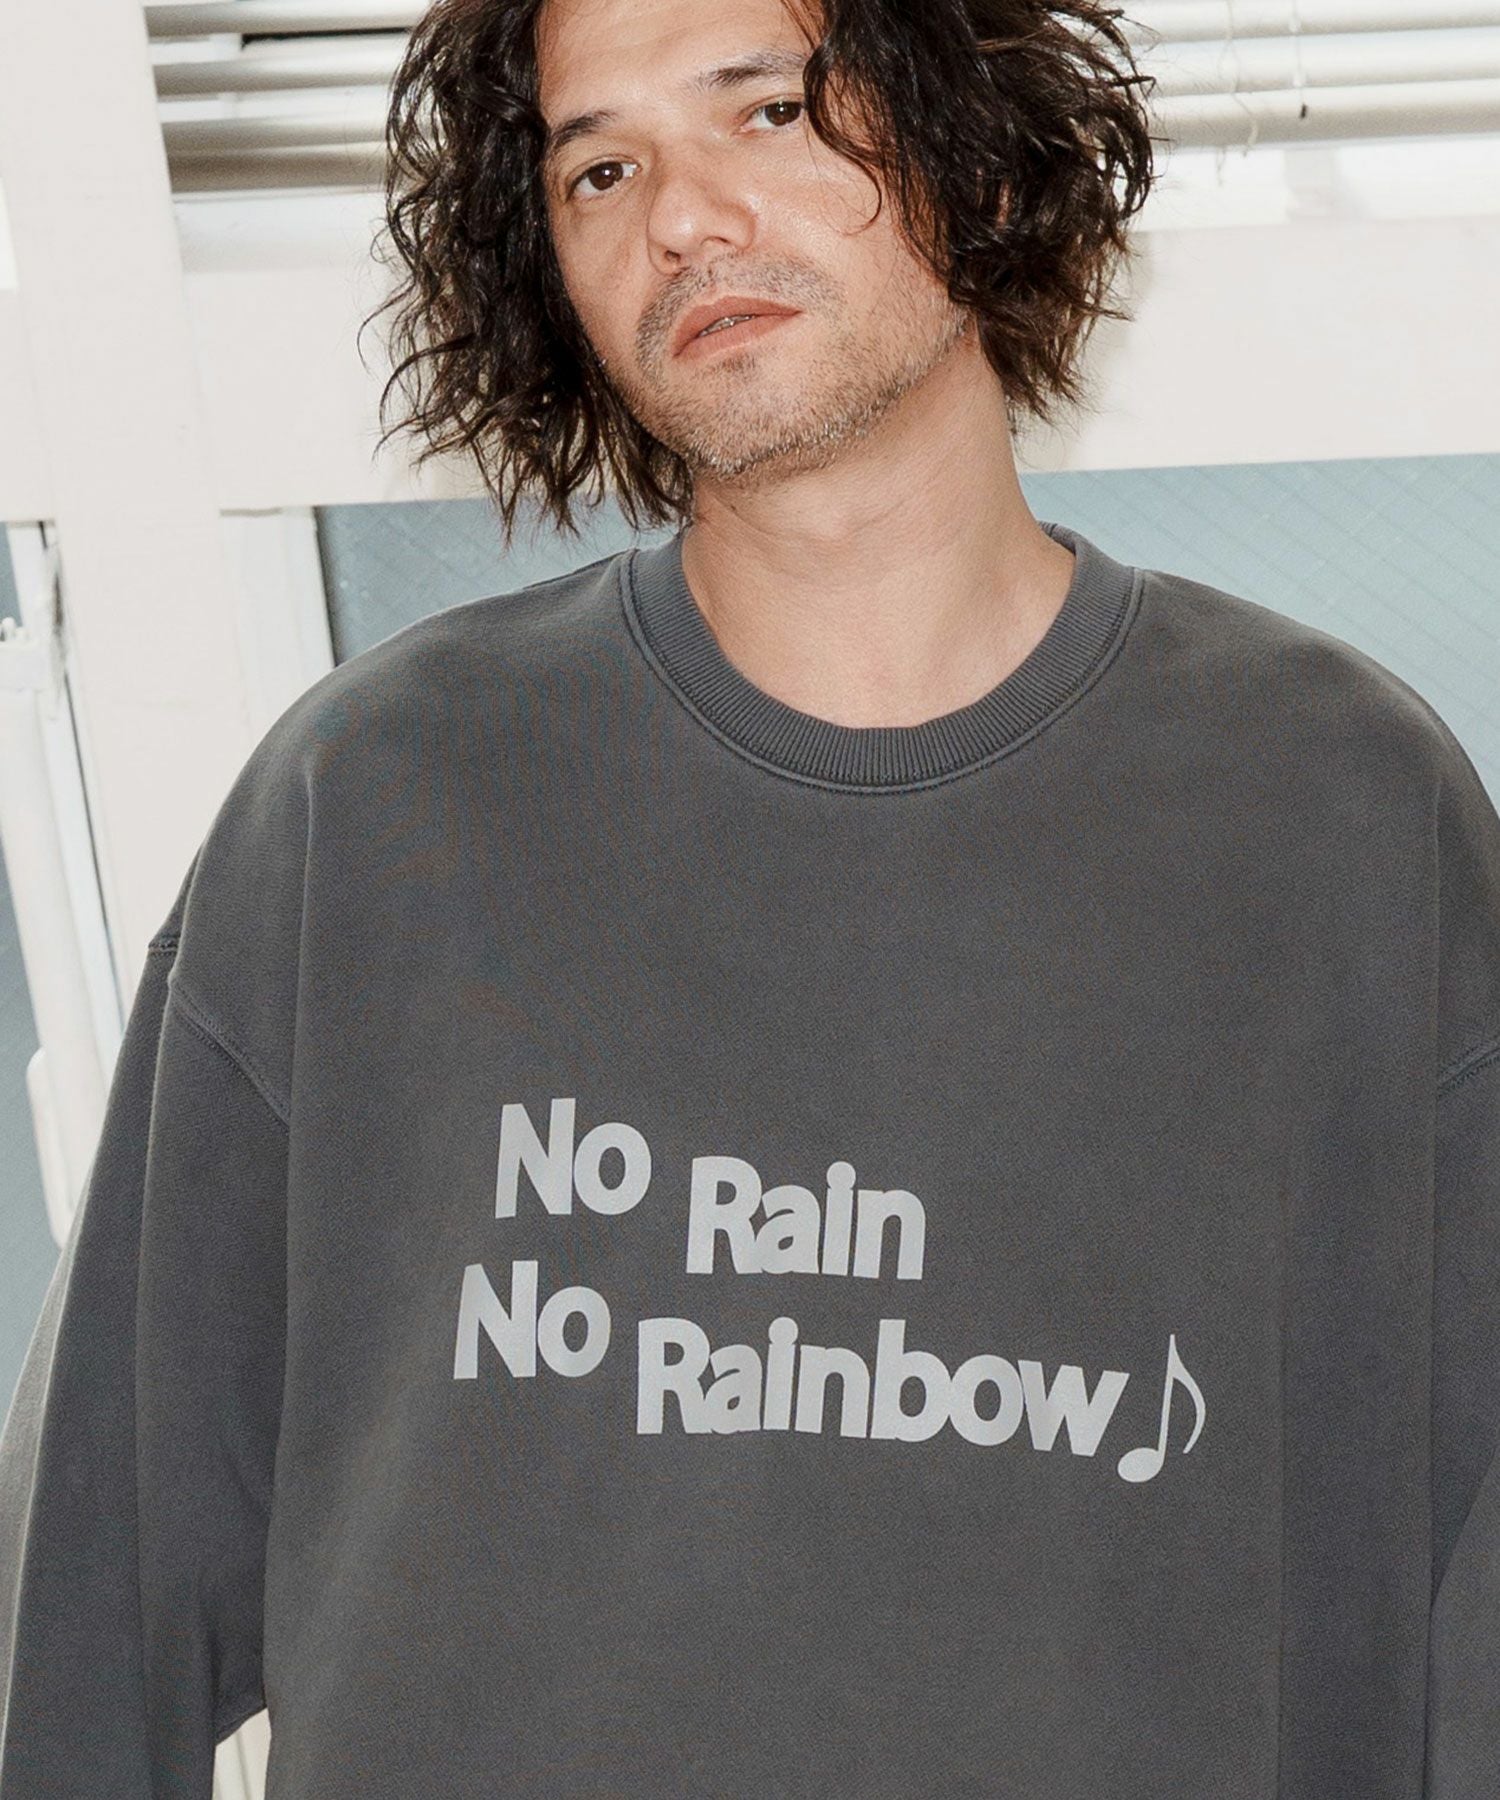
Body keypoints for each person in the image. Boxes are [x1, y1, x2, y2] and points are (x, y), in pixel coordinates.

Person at [2, 0, 1497, 1793]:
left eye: (769, 110)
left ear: (975, 148)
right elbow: (72, 1629)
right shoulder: (373, 810)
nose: (683, 216)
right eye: (600, 169)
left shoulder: (1338, 811)